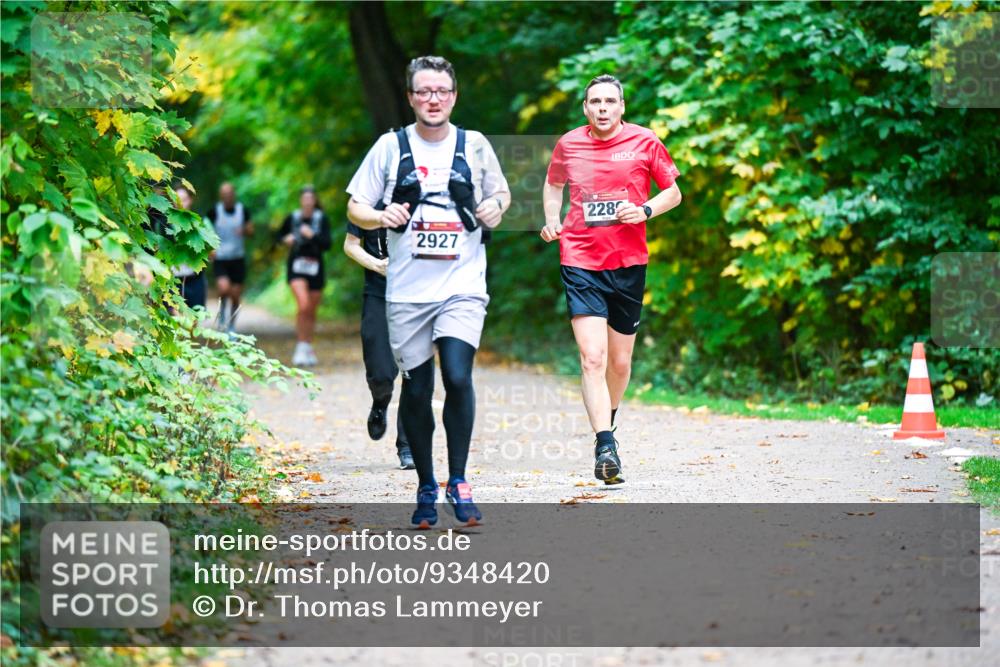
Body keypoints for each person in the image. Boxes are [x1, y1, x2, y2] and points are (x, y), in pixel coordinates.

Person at [346, 55, 510, 528]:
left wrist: (495, 208)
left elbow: (501, 195)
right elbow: (356, 207)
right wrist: (381, 216)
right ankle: (425, 485)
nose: (433, 99)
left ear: (453, 97)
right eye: (424, 91)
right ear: (411, 97)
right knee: (417, 390)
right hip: (407, 293)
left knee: (457, 375)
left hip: (462, 285)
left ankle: (458, 480)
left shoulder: (474, 145)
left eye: (441, 91)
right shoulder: (389, 147)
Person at [540, 74, 682, 485]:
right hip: (580, 260)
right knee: (593, 358)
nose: (602, 108)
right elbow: (553, 185)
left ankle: (610, 418)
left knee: (619, 363)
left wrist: (645, 210)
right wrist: (551, 220)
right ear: (585, 108)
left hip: (628, 263)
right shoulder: (569, 144)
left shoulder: (644, 141)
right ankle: (605, 444)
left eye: (609, 101)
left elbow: (673, 193)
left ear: (621, 107)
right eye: (595, 102)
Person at [344, 220, 415, 470]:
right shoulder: (366, 204)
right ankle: (380, 401)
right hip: (378, 292)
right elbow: (350, 245)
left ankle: (407, 446)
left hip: (417, 295)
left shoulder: (423, 200)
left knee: (414, 372)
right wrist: (377, 265)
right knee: (382, 374)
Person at [276, 186, 331, 366]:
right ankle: (300, 346)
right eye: (305, 198)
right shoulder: (293, 218)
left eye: (310, 198)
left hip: (316, 268)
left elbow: (327, 244)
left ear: (314, 201)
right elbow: (278, 237)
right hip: (296, 267)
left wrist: (312, 235)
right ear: (301, 201)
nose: (307, 202)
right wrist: (285, 240)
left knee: (311, 310)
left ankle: (307, 346)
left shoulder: (321, 219)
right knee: (304, 304)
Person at [207, 182, 254, 333]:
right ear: (221, 196)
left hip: (237, 258)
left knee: (235, 295)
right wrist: (209, 248)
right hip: (220, 258)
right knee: (224, 289)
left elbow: (251, 231)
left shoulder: (242, 210)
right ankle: (221, 318)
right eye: (224, 194)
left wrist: (245, 230)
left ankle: (231, 325)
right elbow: (205, 230)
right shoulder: (214, 211)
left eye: (229, 193)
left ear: (234, 194)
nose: (227, 196)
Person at [173, 185, 207, 311]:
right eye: (177, 200)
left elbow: (213, 252)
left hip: (195, 279)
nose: (181, 204)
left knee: (195, 318)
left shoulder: (201, 223)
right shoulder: (164, 223)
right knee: (176, 318)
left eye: (184, 199)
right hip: (173, 280)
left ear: (191, 200)